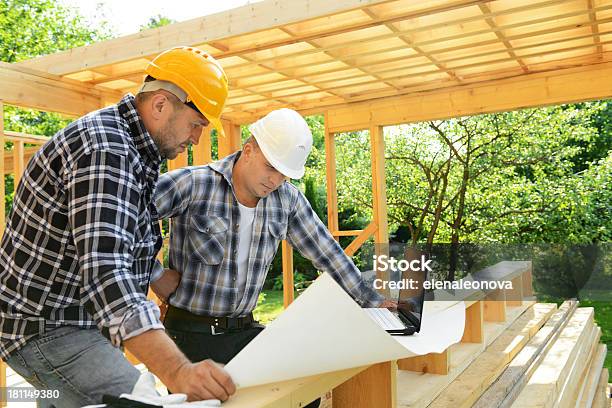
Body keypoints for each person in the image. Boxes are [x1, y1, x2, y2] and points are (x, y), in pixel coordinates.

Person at [0, 46, 236, 408]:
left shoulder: (136, 151)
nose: (196, 139)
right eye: (196, 124)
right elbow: (106, 272)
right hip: (47, 329)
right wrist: (178, 372)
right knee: (139, 403)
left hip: (74, 321)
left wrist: (154, 275)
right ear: (160, 105)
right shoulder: (105, 149)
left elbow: (116, 235)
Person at [151, 108, 395, 407]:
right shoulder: (193, 184)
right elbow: (128, 219)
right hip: (190, 334)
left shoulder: (286, 200)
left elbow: (328, 253)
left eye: (284, 174)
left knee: (303, 394)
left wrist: (371, 299)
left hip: (245, 331)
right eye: (270, 167)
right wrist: (154, 273)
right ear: (249, 150)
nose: (275, 180)